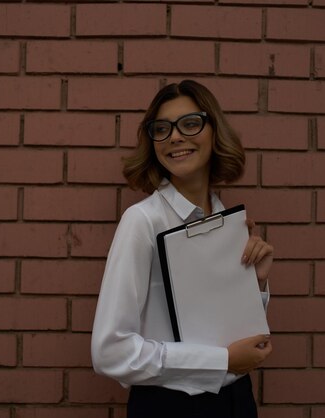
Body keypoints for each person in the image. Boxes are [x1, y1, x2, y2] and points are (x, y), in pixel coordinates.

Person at [91, 79, 274, 417]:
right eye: (162, 129)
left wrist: (256, 285)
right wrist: (221, 361)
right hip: (169, 407)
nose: (175, 136)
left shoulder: (227, 222)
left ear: (214, 132)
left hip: (237, 401)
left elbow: (234, 336)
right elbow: (109, 351)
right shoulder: (143, 221)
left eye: (190, 123)